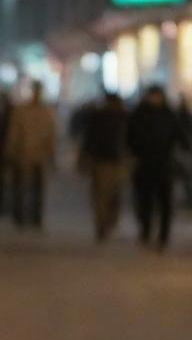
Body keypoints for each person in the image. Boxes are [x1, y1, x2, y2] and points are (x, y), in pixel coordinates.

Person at [126, 85, 188, 250]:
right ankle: (146, 230)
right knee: (144, 201)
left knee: (165, 202)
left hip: (164, 165)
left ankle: (163, 235)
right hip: (144, 165)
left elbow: (180, 136)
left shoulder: (169, 115)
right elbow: (129, 138)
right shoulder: (138, 115)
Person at [5, 81, 56, 229]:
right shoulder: (22, 111)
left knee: (37, 189)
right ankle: (20, 217)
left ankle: (36, 218)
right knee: (21, 188)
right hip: (23, 155)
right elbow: (14, 133)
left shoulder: (46, 112)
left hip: (39, 156)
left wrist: (51, 155)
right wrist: (11, 151)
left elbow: (51, 136)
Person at [79, 92, 128, 242]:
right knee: (109, 194)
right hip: (108, 161)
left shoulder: (118, 117)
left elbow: (89, 139)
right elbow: (89, 139)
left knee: (105, 195)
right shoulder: (120, 117)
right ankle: (105, 222)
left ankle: (104, 222)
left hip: (109, 161)